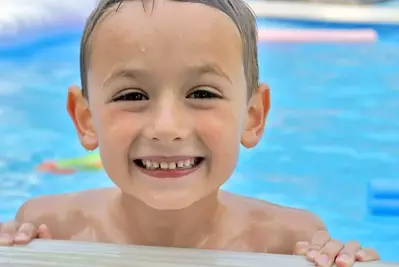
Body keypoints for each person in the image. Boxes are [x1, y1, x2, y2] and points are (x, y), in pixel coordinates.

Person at [0, 0, 379, 266]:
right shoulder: (51, 228)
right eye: (132, 95)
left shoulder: (287, 242)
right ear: (85, 119)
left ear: (252, 116)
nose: (167, 128)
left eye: (202, 93)